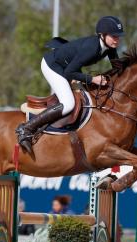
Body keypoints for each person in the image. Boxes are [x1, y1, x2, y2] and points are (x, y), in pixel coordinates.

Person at [16, 16, 125, 153]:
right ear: (102, 35)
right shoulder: (92, 48)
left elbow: (119, 69)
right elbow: (69, 73)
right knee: (68, 104)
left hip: (67, 66)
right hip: (53, 65)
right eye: (114, 36)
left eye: (119, 37)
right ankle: (26, 128)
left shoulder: (110, 47)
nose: (117, 40)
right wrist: (92, 79)